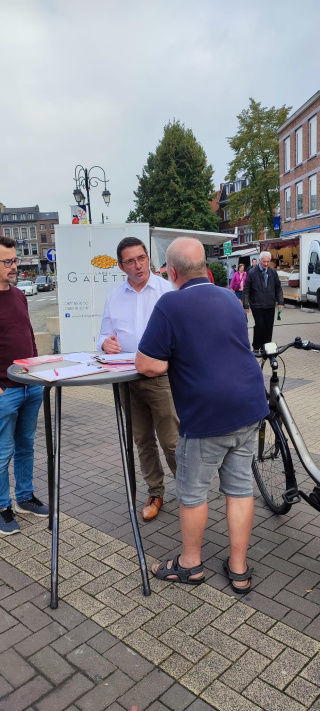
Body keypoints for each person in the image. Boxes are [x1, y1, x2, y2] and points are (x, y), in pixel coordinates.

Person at [135, 237, 269, 591]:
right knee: (240, 489)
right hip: (249, 405)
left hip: (207, 414)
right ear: (205, 268)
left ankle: (190, 564)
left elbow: (147, 364)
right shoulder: (229, 297)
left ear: (172, 271)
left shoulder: (169, 305)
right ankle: (238, 569)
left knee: (192, 493)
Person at [98, 237, 179, 521]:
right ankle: (155, 492)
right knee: (143, 440)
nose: (138, 265)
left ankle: (189, 492)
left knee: (171, 440)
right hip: (126, 379)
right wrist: (104, 344)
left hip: (161, 378)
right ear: (121, 266)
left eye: (141, 258)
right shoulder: (113, 296)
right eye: (130, 261)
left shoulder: (167, 291)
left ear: (148, 258)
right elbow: (103, 334)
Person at [0, 236, 49, 536]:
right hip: (5, 390)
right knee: (2, 451)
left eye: (15, 260)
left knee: (26, 446)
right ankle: (3, 506)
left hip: (30, 385)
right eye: (8, 261)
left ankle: (25, 497)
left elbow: (28, 335)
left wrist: (37, 370)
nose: (14, 265)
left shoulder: (18, 295)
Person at [243, 251, 284, 352]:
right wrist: (246, 305)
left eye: (268, 261)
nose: (266, 264)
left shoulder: (273, 272)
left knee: (269, 327)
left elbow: (278, 288)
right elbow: (246, 290)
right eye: (264, 261)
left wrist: (281, 302)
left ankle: (267, 347)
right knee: (260, 325)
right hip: (257, 305)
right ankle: (256, 346)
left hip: (270, 304)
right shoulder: (252, 272)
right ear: (259, 260)